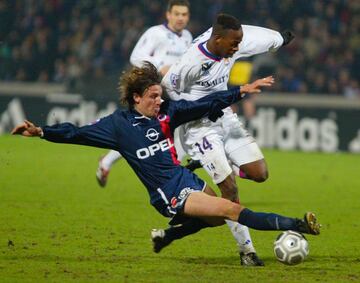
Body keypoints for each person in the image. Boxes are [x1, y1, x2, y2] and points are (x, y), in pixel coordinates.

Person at [12, 63, 320, 262]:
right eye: (153, 96)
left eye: (161, 96)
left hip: (185, 179)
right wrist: (41, 131)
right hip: (168, 194)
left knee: (214, 219)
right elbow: (77, 133)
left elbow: (205, 103)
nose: (160, 101)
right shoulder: (118, 126)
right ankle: (298, 224)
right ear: (136, 97)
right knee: (230, 209)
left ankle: (167, 235)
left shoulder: (167, 115)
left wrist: (239, 91)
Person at [161, 14, 295, 264]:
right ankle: (247, 251)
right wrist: (175, 137)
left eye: (238, 43)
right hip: (199, 127)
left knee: (260, 173)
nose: (237, 48)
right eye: (234, 44)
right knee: (229, 189)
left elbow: (254, 38)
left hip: (224, 116)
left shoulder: (232, 41)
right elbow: (168, 94)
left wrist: (279, 39)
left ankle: (220, 162)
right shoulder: (190, 64)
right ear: (218, 39)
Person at [96, 0, 192, 188]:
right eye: (177, 14)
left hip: (176, 93)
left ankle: (177, 174)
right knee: (141, 134)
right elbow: (136, 57)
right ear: (168, 15)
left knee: (175, 131)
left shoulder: (187, 36)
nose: (181, 18)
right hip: (154, 92)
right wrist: (160, 66)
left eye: (184, 14)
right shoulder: (155, 33)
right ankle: (107, 162)